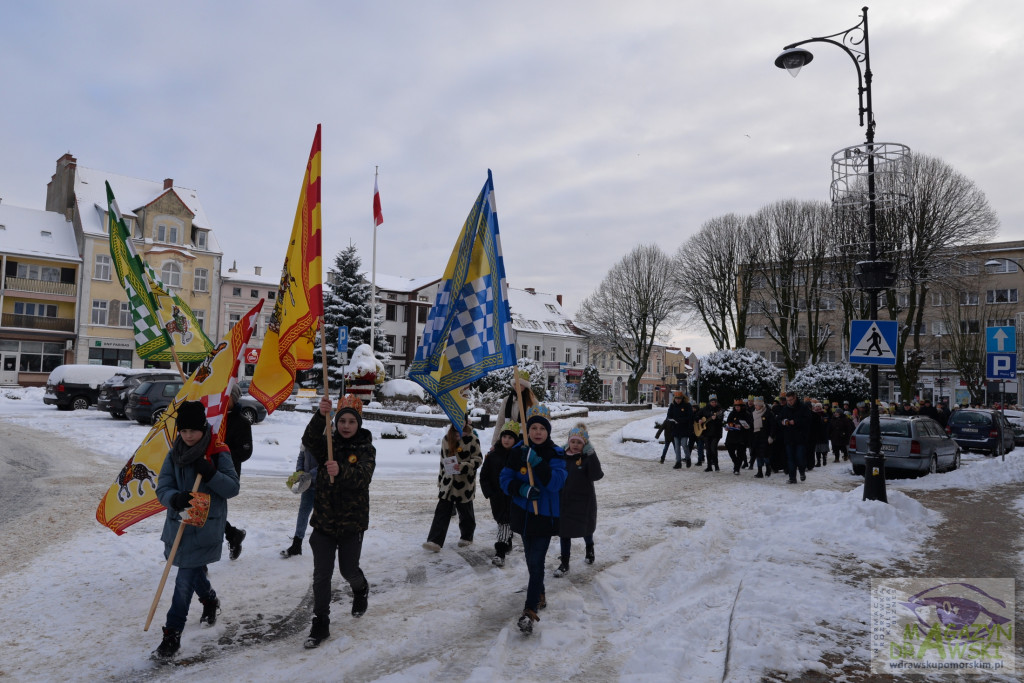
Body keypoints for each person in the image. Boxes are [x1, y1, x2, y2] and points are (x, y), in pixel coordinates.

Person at [152, 400, 240, 660]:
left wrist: (211, 474)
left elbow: (232, 489)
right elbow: (162, 488)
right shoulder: (174, 453)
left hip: (204, 529)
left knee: (183, 581)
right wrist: (174, 498)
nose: (188, 436)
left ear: (203, 428)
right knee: (192, 572)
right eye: (184, 430)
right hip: (178, 526)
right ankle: (210, 600)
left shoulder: (217, 452)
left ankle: (171, 635)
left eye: (193, 430)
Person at [301, 394, 375, 649]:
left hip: (351, 524)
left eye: (350, 422)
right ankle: (320, 621)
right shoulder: (327, 444)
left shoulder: (366, 448)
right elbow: (309, 440)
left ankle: (360, 587)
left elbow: (364, 477)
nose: (345, 426)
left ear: (359, 424)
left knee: (348, 570)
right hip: (323, 521)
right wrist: (320, 416)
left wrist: (341, 471)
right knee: (322, 575)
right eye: (341, 420)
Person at [499, 403, 567, 634]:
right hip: (524, 515)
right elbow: (505, 478)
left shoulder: (556, 453)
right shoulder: (518, 451)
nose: (537, 432)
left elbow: (556, 482)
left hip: (545, 517)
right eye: (533, 427)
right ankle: (540, 593)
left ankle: (529, 610)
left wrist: (537, 462)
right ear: (527, 430)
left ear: (548, 431)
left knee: (536, 562)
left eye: (542, 428)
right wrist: (520, 490)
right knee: (531, 561)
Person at [423, 417, 483, 552]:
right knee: (442, 511)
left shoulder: (473, 439)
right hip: (448, 482)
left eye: (461, 420)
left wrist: (462, 466)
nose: (458, 423)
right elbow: (442, 461)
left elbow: (478, 460)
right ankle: (435, 541)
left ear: (466, 421)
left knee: (466, 512)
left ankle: (467, 536)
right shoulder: (446, 439)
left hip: (464, 484)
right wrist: (440, 480)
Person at [554, 422, 604, 577]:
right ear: (568, 441)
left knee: (586, 529)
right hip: (564, 501)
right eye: (573, 441)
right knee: (564, 532)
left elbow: (596, 475)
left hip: (584, 501)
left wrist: (591, 454)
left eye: (579, 443)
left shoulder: (587, 458)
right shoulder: (561, 455)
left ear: (585, 444)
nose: (575, 445)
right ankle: (564, 562)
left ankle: (589, 548)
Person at [479, 421, 519, 567]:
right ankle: (506, 541)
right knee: (502, 522)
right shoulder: (493, 455)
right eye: (504, 437)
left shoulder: (519, 455)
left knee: (505, 523)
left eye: (510, 437)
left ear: (516, 440)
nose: (506, 440)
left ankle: (500, 553)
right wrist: (489, 493)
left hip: (513, 497)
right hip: (497, 497)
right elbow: (484, 476)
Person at [222, 383, 252, 560]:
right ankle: (233, 535)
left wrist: (222, 455)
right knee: (208, 511)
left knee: (210, 512)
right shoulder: (214, 418)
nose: (224, 401)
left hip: (227, 474)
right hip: (208, 471)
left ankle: (233, 535)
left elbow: (245, 451)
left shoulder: (242, 422)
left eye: (228, 398)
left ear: (234, 398)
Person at [281, 445, 317, 558]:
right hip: (307, 484)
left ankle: (331, 542)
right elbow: (301, 456)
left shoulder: (329, 437)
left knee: (324, 515)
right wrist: (299, 472)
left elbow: (327, 463)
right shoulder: (308, 436)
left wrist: (310, 474)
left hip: (324, 485)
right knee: (303, 513)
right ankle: (297, 544)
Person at [491, 369, 536, 447]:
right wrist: (495, 443)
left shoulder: (532, 402)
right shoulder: (507, 400)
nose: (516, 386)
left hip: (524, 440)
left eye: (520, 384)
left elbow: (534, 425)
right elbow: (500, 422)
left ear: (525, 386)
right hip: (507, 440)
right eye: (515, 384)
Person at [778, 392, 811, 483]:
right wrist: (783, 422)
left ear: (795, 398)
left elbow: (808, 420)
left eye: (791, 400)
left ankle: (802, 471)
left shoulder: (803, 407)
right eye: (788, 400)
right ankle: (792, 478)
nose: (790, 402)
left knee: (800, 457)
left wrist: (795, 421)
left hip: (800, 437)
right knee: (790, 459)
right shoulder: (785, 409)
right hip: (789, 437)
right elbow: (778, 420)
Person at [748, 397, 776, 478]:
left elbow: (773, 426)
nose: (755, 406)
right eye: (755, 405)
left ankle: (768, 467)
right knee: (758, 454)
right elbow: (751, 424)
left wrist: (771, 436)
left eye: (757, 405)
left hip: (765, 436)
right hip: (756, 436)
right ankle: (759, 471)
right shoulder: (753, 413)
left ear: (761, 405)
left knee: (765, 454)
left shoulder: (768, 413)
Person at [725, 398, 751, 475]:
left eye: (738, 406)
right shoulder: (732, 413)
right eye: (736, 407)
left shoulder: (746, 414)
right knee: (730, 449)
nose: (737, 408)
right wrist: (728, 426)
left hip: (742, 436)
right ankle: (736, 462)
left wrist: (741, 426)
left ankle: (737, 468)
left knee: (740, 453)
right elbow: (728, 422)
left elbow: (749, 425)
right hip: (732, 435)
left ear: (742, 406)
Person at [698, 395, 724, 472]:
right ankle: (709, 466)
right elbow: (697, 415)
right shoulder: (705, 409)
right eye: (712, 402)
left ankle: (716, 466)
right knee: (708, 450)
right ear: (709, 402)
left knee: (713, 449)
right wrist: (699, 419)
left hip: (716, 432)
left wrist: (716, 419)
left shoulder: (719, 410)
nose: (714, 403)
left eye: (715, 402)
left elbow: (721, 420)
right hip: (706, 432)